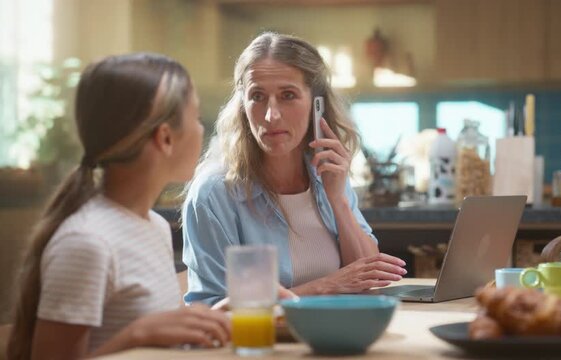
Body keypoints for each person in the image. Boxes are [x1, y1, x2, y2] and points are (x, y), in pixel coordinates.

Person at [7, 53, 230, 360]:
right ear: (165, 138)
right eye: (196, 117)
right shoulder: (87, 242)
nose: (202, 129)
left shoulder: (155, 226)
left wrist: (218, 315)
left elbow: (160, 333)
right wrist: (139, 334)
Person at [183, 32, 407, 306]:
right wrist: (326, 286)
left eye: (288, 95)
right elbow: (214, 310)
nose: (271, 115)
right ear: (242, 105)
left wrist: (337, 199)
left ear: (317, 104)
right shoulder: (214, 194)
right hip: (261, 345)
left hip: (335, 336)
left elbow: (366, 277)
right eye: (257, 96)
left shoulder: (326, 173)